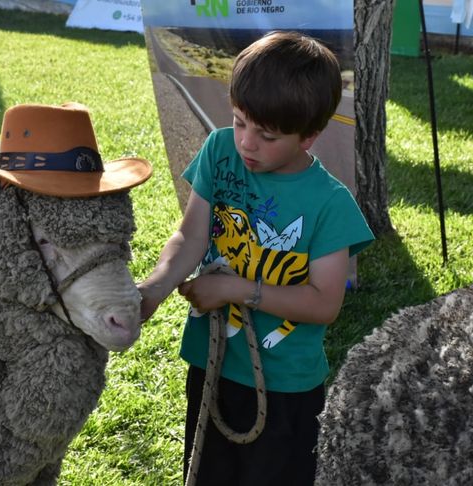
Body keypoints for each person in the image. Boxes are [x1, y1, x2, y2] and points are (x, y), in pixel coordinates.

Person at [137, 31, 374, 485]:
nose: (246, 142)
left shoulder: (330, 203)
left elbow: (324, 303)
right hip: (212, 366)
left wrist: (235, 290)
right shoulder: (219, 150)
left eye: (266, 135)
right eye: (240, 121)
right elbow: (190, 236)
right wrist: (155, 287)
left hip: (287, 387)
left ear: (309, 136)